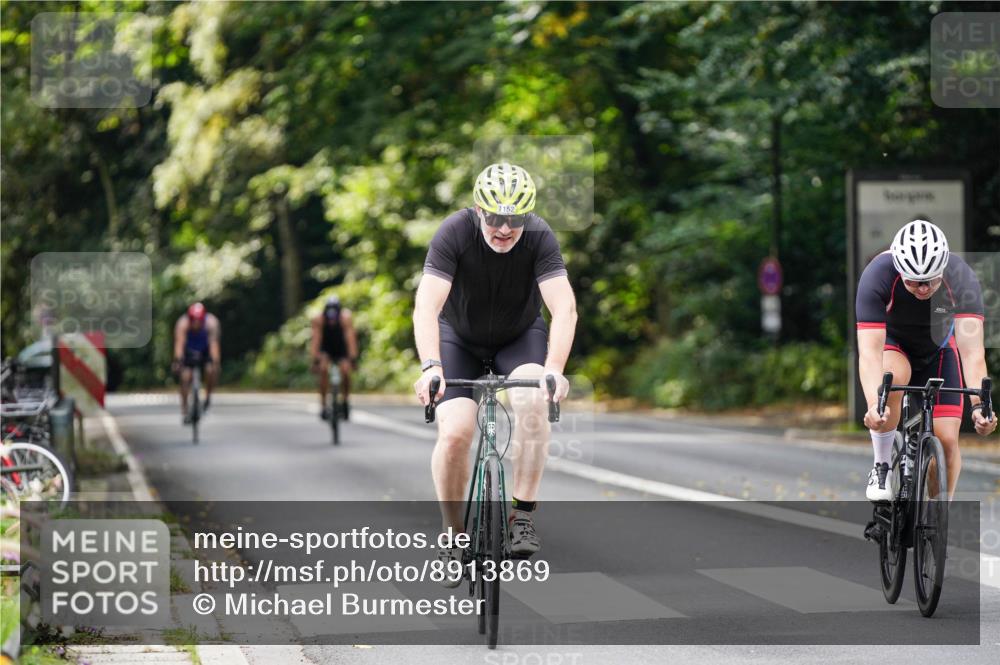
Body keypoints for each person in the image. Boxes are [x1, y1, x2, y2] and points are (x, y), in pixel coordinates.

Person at [413, 162, 576, 586]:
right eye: (495, 218)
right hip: (459, 339)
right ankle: (452, 535)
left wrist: (554, 370)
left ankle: (522, 515)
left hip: (518, 337)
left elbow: (564, 309)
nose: (504, 229)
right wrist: (431, 366)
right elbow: (426, 307)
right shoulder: (454, 232)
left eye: (515, 220)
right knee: (455, 433)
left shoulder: (540, 236)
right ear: (478, 210)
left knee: (534, 401)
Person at [856, 219, 996, 502]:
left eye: (930, 280)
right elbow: (870, 353)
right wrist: (874, 405)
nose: (922, 288)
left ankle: (938, 516)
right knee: (892, 378)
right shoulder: (877, 275)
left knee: (946, 441)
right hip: (895, 347)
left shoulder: (961, 277)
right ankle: (882, 466)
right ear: (899, 269)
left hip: (939, 350)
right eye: (913, 281)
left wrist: (980, 406)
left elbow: (972, 352)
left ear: (943, 267)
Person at [310, 295, 358, 421]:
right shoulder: (319, 319)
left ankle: (346, 401)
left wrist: (352, 358)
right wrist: (315, 360)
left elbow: (350, 339)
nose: (331, 321)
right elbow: (316, 340)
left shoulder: (345, 318)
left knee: (345, 372)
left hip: (341, 348)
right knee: (324, 370)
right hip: (326, 348)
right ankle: (324, 405)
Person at [172, 303, 221, 424]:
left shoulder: (211, 323)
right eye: (193, 320)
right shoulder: (183, 323)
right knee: (185, 376)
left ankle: (208, 397)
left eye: (198, 320)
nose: (196, 323)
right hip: (189, 351)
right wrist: (178, 360)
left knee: (210, 371)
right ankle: (184, 408)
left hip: (204, 351)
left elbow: (214, 345)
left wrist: (215, 362)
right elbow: (179, 344)